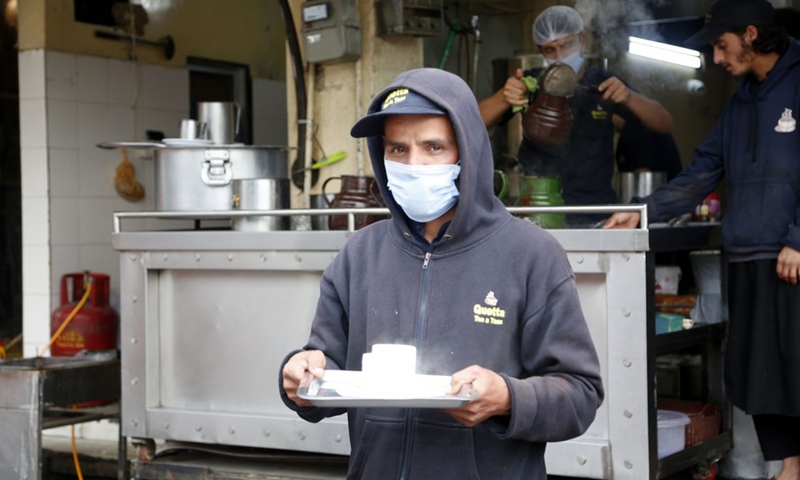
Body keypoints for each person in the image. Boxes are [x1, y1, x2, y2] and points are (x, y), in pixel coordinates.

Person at [279, 68, 604, 480]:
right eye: (397, 150)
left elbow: (580, 395)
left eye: (433, 147)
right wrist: (301, 375)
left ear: (467, 151)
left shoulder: (532, 255)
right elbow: (328, 366)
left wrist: (508, 397)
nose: (413, 165)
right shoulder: (359, 255)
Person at [605, 1, 800, 478]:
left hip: (790, 256)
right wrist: (642, 215)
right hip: (747, 254)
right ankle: (790, 468)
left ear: (751, 34)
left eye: (721, 44)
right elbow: (702, 171)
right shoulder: (739, 101)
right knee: (760, 377)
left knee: (796, 372)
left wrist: (798, 236)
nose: (716, 57)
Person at [479, 5, 673, 223]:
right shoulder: (529, 83)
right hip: (540, 208)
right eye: (550, 50)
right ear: (541, 50)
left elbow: (664, 124)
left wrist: (629, 96)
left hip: (595, 210)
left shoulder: (604, 84)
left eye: (567, 45)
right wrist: (505, 97)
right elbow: (473, 123)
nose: (560, 56)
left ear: (583, 40)